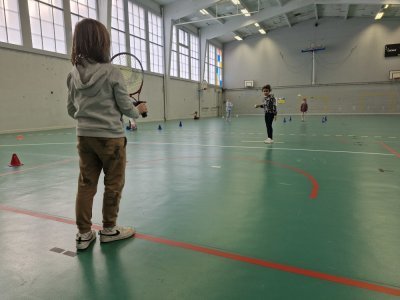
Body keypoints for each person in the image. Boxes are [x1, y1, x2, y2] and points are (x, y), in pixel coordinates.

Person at [67, 18, 147, 250]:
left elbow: (71, 110)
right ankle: (109, 230)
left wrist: (88, 118)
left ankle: (83, 235)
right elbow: (126, 108)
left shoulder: (72, 74)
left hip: (84, 137)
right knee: (113, 183)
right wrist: (139, 110)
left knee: (86, 184)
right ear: (102, 43)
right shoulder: (112, 72)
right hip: (111, 138)